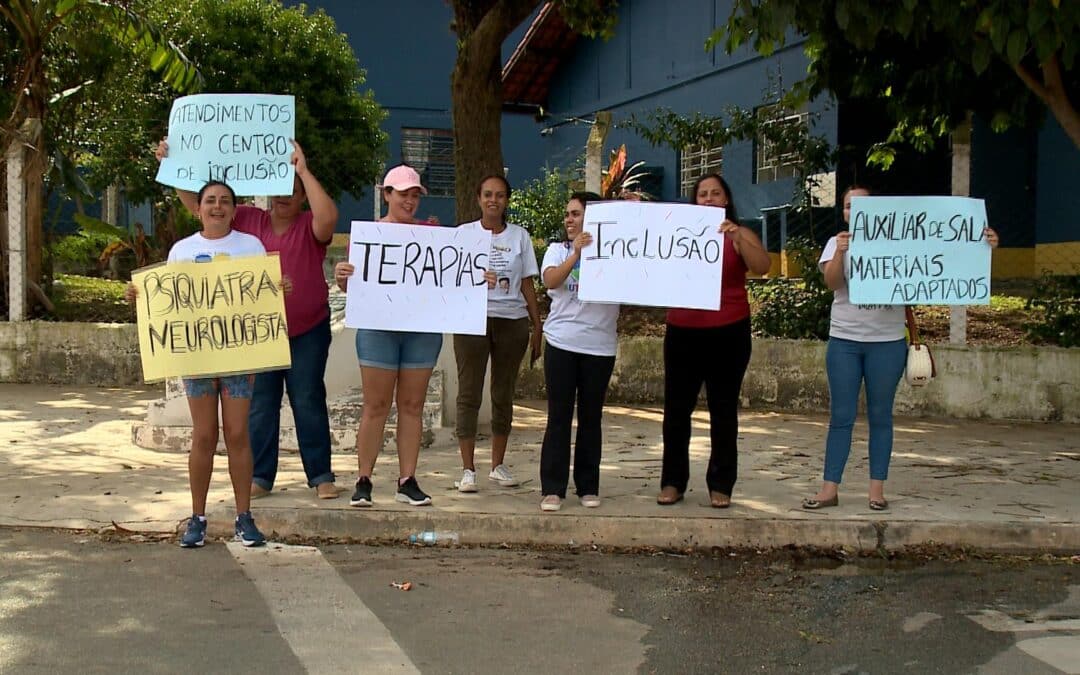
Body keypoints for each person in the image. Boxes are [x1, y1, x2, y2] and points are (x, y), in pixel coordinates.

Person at [156, 139, 340, 501]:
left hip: (307, 331)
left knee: (307, 399)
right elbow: (203, 205)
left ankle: (320, 476)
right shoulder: (249, 219)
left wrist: (302, 169)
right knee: (260, 405)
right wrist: (172, 165)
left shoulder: (309, 225)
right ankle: (259, 476)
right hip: (255, 333)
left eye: (293, 190)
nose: (284, 196)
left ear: (303, 197)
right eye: (279, 188)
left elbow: (330, 217)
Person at [803, 186, 1000, 511]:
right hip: (845, 343)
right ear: (844, 212)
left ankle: (876, 491)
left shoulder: (903, 243)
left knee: (881, 416)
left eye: (863, 205)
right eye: (850, 206)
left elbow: (948, 259)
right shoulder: (835, 242)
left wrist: (983, 244)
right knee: (841, 416)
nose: (855, 211)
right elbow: (832, 283)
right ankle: (829, 489)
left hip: (887, 344)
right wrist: (840, 252)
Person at [125, 181, 270, 548]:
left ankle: (243, 517)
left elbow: (261, 297)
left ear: (235, 210)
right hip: (198, 357)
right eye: (210, 201)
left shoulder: (251, 247)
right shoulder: (182, 250)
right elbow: (168, 301)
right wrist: (140, 297)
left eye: (225, 201)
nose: (217, 207)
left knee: (237, 434)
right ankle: (198, 517)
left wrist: (276, 288)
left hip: (239, 356)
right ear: (198, 208)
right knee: (204, 435)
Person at [657, 173, 771, 508]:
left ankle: (721, 482)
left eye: (715, 193)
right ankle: (673, 481)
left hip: (729, 331)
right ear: (694, 201)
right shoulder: (677, 232)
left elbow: (762, 266)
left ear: (726, 200)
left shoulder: (739, 233)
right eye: (702, 194)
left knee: (723, 410)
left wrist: (738, 237)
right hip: (682, 330)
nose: (708, 199)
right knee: (676, 410)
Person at [334, 165, 441, 507]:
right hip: (378, 328)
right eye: (403, 194)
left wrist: (474, 278)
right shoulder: (368, 235)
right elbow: (352, 287)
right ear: (386, 195)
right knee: (375, 405)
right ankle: (363, 479)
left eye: (414, 195)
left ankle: (407, 479)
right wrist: (342, 276)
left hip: (421, 330)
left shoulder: (433, 236)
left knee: (412, 405)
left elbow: (452, 277)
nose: (409, 201)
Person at [452, 175, 542, 493]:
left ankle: (497, 465)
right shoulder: (463, 234)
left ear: (507, 201)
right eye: (488, 194)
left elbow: (528, 283)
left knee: (503, 393)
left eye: (500, 195)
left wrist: (537, 325)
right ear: (478, 198)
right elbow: (449, 275)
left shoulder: (520, 237)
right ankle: (467, 469)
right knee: (469, 394)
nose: (494, 200)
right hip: (471, 322)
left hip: (511, 322)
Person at [538, 192, 620, 511]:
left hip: (599, 346)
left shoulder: (614, 253)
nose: (569, 220)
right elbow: (551, 281)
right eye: (567, 214)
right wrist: (574, 254)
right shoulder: (557, 250)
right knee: (558, 417)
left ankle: (588, 485)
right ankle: (553, 488)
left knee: (590, 418)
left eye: (576, 214)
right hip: (562, 342)